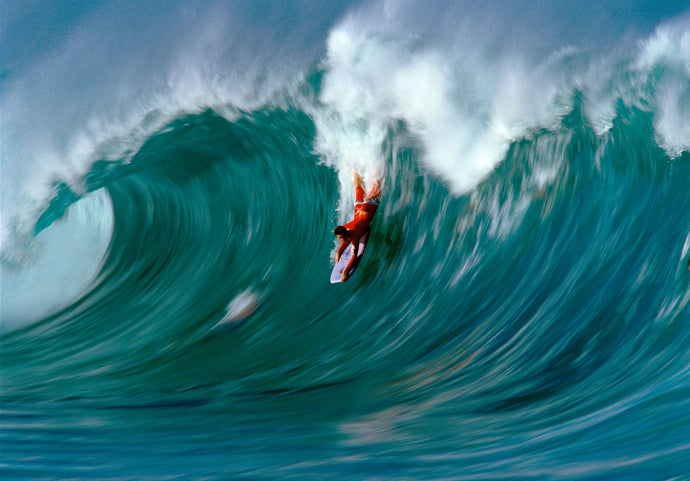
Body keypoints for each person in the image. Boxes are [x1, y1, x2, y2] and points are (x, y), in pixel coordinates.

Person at [334, 171, 381, 282]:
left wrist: (345, 272)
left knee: (376, 184)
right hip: (359, 207)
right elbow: (345, 240)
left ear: (346, 233)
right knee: (358, 185)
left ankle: (376, 167)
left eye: (341, 237)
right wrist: (338, 253)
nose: (342, 240)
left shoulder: (354, 237)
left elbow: (354, 257)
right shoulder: (346, 229)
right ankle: (357, 166)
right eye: (339, 238)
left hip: (369, 207)